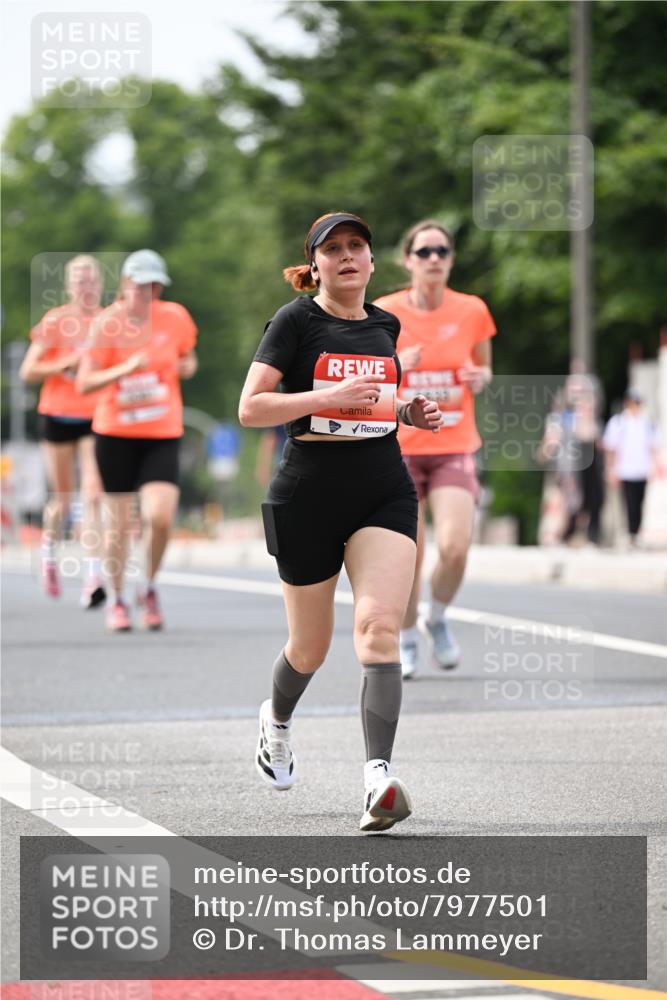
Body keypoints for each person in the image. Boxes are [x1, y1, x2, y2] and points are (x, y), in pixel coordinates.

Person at [238, 212, 442, 832]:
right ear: (316, 264)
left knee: (380, 629)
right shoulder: (295, 320)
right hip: (307, 496)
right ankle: (275, 724)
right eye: (334, 250)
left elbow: (375, 403)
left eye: (358, 247)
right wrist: (321, 399)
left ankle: (378, 778)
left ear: (374, 262)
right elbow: (251, 408)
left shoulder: (386, 324)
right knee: (310, 647)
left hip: (383, 491)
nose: (348, 257)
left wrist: (408, 409)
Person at [374, 221, 495, 678]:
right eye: (423, 251)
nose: (434, 258)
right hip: (399, 449)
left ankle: (437, 617)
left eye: (442, 250)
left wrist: (481, 379)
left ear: (451, 259)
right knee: (410, 555)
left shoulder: (472, 311)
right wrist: (399, 366)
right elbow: (369, 376)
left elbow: (483, 369)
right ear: (407, 260)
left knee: (457, 547)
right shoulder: (384, 312)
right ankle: (405, 638)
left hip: (454, 444)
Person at [77, 249, 198, 631]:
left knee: (160, 517)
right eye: (141, 284)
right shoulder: (106, 324)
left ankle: (146, 587)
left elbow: (189, 358)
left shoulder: (175, 316)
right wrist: (125, 369)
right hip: (115, 434)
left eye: (155, 285)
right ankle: (115, 599)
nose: (149, 292)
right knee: (118, 526)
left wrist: (185, 366)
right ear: (125, 284)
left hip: (162, 431)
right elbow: (84, 383)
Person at [20, 254, 106, 608]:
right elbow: (28, 371)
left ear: (100, 284)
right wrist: (62, 364)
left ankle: (93, 576)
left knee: (93, 496)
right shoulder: (56, 321)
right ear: (69, 286)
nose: (85, 287)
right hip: (57, 415)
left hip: (94, 416)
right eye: (79, 281)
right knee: (62, 499)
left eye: (91, 280)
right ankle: (49, 555)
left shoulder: (108, 322)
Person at [603, 388, 659, 546]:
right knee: (628, 503)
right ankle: (628, 532)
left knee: (639, 502)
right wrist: (610, 468)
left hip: (642, 469)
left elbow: (653, 445)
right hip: (624, 470)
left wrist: (655, 466)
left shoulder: (647, 422)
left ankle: (636, 532)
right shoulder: (618, 422)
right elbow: (611, 448)